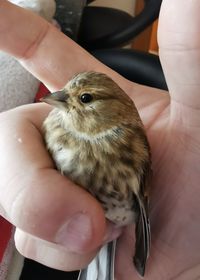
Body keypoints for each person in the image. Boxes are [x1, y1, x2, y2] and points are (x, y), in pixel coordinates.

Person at [0, 0, 200, 279]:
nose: (57, 98)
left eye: (84, 99)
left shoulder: (132, 144)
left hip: (119, 228)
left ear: (114, 110)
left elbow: (141, 203)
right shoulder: (54, 124)